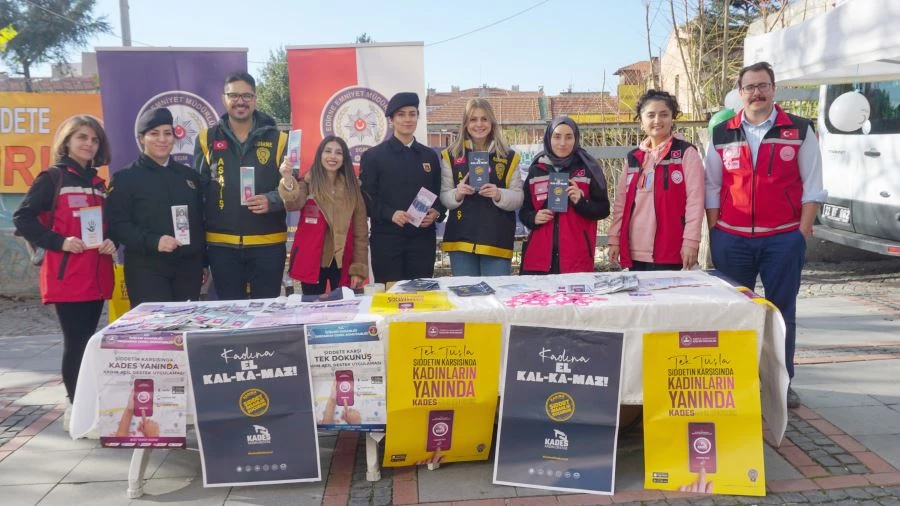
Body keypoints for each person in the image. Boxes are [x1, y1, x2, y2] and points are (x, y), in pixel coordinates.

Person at [705, 62, 826, 409]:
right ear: (739, 93)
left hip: (782, 240)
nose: (756, 93)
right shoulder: (721, 132)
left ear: (774, 89)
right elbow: (713, 187)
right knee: (731, 314)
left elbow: (813, 188)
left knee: (781, 313)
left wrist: (800, 235)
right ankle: (734, 382)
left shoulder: (800, 130)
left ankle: (781, 383)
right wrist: (717, 233)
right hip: (732, 239)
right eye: (750, 87)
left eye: (763, 86)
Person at [13, 115, 117, 423]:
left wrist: (110, 241)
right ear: (67, 141)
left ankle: (87, 403)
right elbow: (23, 219)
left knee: (88, 340)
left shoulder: (99, 183)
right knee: (77, 341)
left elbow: (101, 228)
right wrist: (59, 241)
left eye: (94, 139)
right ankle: (77, 407)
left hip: (96, 274)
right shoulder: (52, 178)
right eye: (82, 137)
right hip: (68, 275)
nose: (88, 143)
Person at [193, 71, 288, 299]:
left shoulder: (280, 139)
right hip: (221, 245)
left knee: (266, 316)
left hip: (268, 243)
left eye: (246, 95)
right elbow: (198, 194)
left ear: (255, 99)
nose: (240, 101)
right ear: (224, 98)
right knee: (230, 316)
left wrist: (273, 200)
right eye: (234, 95)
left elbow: (295, 187)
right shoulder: (206, 139)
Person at [107, 108, 206, 306]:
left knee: (186, 329)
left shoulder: (189, 176)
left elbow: (199, 222)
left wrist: (202, 262)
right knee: (155, 333)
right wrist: (154, 241)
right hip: (146, 269)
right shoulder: (125, 178)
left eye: (167, 133)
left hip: (187, 269)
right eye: (154, 133)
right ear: (141, 138)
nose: (162, 139)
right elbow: (118, 226)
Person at [607, 90, 704, 271]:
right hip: (635, 250)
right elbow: (621, 203)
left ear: (672, 119)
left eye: (664, 114)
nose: (657, 120)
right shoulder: (634, 158)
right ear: (641, 121)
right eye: (651, 115)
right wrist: (614, 238)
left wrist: (691, 241)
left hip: (672, 249)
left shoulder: (686, 153)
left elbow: (695, 202)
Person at [360, 92, 445, 283]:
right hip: (387, 240)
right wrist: (390, 214)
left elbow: (439, 193)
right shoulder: (374, 156)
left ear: (417, 117)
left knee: (421, 297)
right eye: (401, 114)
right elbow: (366, 198)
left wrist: (436, 212)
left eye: (412, 114)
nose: (407, 119)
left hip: (422, 240)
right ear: (391, 119)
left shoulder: (429, 156)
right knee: (391, 298)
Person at [439, 98, 523, 276]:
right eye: (473, 119)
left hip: (496, 239)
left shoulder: (509, 156)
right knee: (467, 300)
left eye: (484, 119)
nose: (479, 124)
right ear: (465, 123)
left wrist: (499, 194)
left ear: (492, 123)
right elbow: (444, 196)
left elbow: (518, 197)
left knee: (496, 300)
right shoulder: (451, 155)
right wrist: (457, 194)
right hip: (461, 240)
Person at [278, 135, 369, 295]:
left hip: (343, 263)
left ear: (344, 158)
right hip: (313, 259)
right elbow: (293, 203)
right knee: (312, 311)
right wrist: (287, 179)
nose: (332, 156)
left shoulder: (353, 188)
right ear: (320, 155)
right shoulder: (306, 182)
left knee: (345, 312)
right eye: (328, 151)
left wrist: (358, 268)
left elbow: (360, 233)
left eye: (338, 153)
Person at [519, 117, 610, 274]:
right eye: (557, 136)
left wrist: (581, 202)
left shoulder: (588, 168)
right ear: (548, 138)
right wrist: (533, 218)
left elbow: (603, 209)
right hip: (538, 260)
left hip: (576, 260)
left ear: (576, 139)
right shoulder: (536, 170)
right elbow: (524, 211)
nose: (562, 143)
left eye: (568, 137)